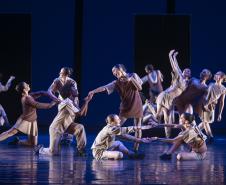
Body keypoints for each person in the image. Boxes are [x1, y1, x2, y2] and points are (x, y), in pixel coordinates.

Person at [87, 64, 143, 152]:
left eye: (115, 71)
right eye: (113, 72)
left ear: (120, 69)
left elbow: (140, 87)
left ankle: (136, 149)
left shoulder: (133, 75)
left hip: (137, 104)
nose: (114, 73)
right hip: (125, 107)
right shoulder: (116, 83)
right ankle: (107, 145)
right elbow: (105, 87)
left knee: (138, 128)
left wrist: (131, 79)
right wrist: (93, 91)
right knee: (115, 129)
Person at [35, 83, 90, 156]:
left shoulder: (73, 102)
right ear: (69, 91)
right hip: (56, 128)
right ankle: (40, 149)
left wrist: (87, 102)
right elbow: (79, 114)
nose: (76, 89)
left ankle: (81, 150)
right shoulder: (67, 102)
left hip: (66, 126)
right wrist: (87, 101)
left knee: (80, 127)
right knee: (54, 153)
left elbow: (83, 114)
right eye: (74, 88)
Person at [0, 82, 57, 146]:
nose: (28, 85)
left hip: (32, 121)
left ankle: (18, 142)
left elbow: (41, 93)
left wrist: (49, 94)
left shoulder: (29, 95)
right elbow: (37, 105)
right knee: (10, 132)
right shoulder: (27, 98)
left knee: (32, 144)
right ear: (24, 89)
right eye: (26, 85)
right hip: (25, 120)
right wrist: (52, 103)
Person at [155, 50, 191, 137]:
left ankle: (169, 136)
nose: (186, 71)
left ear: (189, 75)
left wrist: (173, 56)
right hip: (164, 95)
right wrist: (171, 56)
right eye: (185, 70)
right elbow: (175, 66)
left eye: (188, 71)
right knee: (159, 116)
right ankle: (166, 134)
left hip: (171, 100)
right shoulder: (179, 76)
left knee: (168, 119)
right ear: (182, 72)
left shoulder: (186, 82)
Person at [91, 114, 155, 160]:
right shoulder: (110, 129)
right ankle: (109, 159)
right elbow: (126, 129)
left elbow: (125, 136)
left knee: (118, 143)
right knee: (120, 155)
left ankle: (131, 154)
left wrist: (141, 140)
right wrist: (144, 127)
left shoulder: (113, 128)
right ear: (112, 122)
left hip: (105, 148)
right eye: (118, 119)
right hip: (99, 152)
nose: (120, 120)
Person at [48, 67, 79, 145]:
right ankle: (61, 136)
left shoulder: (72, 82)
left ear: (67, 74)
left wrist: (75, 105)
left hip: (70, 102)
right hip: (61, 102)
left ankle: (68, 138)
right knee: (61, 119)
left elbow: (75, 95)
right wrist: (54, 98)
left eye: (61, 73)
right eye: (60, 72)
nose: (59, 74)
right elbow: (49, 91)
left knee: (70, 119)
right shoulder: (57, 80)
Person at [198, 71, 226, 142]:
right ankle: (210, 137)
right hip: (204, 105)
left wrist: (220, 114)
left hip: (211, 106)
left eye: (217, 74)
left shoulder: (223, 89)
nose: (215, 75)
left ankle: (193, 132)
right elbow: (204, 94)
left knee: (205, 122)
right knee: (205, 122)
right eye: (215, 74)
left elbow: (222, 102)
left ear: (221, 77)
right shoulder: (211, 84)